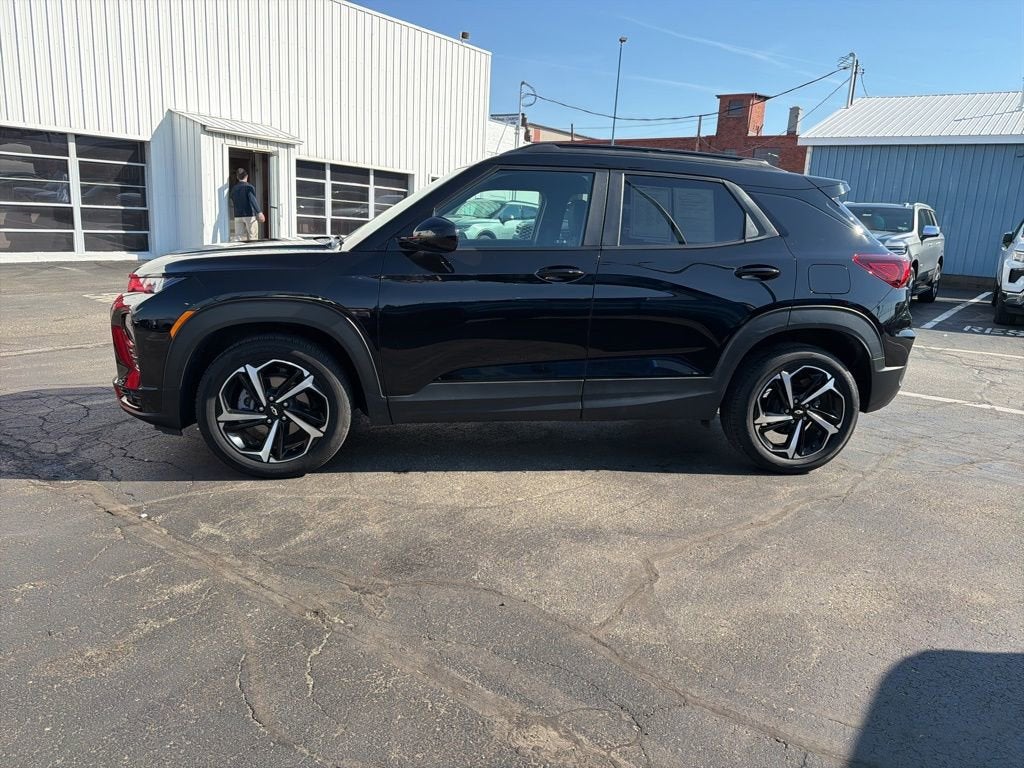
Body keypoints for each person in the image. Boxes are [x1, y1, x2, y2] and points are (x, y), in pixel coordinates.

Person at [230, 168, 264, 241]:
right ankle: (253, 252)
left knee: (239, 238)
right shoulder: (249, 187)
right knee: (253, 237)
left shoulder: (234, 189)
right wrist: (259, 212)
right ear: (247, 176)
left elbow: (232, 199)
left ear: (237, 177)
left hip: (237, 215)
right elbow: (252, 199)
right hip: (249, 215)